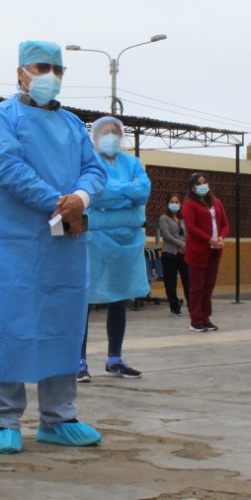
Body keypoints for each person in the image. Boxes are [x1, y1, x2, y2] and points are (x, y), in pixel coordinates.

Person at [0, 40, 106, 454]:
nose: (50, 75)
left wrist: (80, 199)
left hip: (62, 243)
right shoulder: (0, 119)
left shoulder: (72, 125)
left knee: (60, 325)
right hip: (10, 245)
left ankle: (58, 418)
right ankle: (3, 419)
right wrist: (60, 202)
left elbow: (94, 169)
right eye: (40, 66)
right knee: (8, 323)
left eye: (57, 68)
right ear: (20, 72)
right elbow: (8, 169)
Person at [79, 116, 151, 382]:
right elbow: (97, 193)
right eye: (105, 132)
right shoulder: (89, 163)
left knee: (120, 299)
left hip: (128, 241)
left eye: (114, 132)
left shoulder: (132, 163)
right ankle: (79, 360)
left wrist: (114, 194)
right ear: (95, 138)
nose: (110, 137)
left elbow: (143, 192)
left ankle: (114, 359)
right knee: (84, 300)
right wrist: (126, 193)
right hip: (96, 240)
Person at [180, 172, 230, 332]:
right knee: (197, 286)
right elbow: (191, 228)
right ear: (193, 187)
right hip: (198, 251)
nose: (203, 185)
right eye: (199, 183)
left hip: (215, 250)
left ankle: (206, 317)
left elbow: (225, 224)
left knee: (209, 285)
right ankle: (195, 319)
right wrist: (209, 239)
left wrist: (221, 237)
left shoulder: (216, 202)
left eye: (204, 182)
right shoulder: (189, 204)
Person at [157, 194, 190, 317]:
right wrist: (181, 245)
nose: (174, 204)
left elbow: (188, 234)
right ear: (167, 203)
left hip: (184, 254)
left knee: (188, 280)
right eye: (172, 201)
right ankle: (175, 307)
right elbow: (167, 235)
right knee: (170, 282)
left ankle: (192, 305)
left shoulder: (183, 219)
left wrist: (186, 246)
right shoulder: (164, 218)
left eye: (177, 201)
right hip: (170, 254)